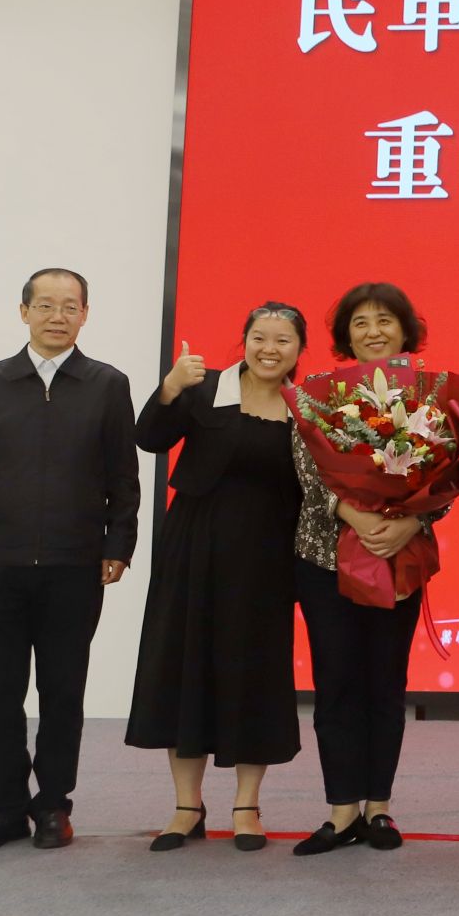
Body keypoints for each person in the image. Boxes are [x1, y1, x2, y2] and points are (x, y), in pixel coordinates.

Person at [0, 267, 139, 852]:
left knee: (63, 692)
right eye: (45, 305)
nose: (57, 316)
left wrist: (118, 545)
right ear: (23, 311)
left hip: (75, 564)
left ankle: (53, 805)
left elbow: (124, 478)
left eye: (70, 306)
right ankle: (4, 811)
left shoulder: (107, 384)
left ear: (85, 315)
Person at [126, 302, 308, 853]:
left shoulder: (307, 408)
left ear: (300, 350)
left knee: (254, 674)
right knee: (184, 668)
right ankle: (187, 806)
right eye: (259, 337)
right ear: (244, 341)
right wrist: (169, 388)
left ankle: (247, 806)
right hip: (194, 550)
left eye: (283, 340)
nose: (269, 349)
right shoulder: (204, 390)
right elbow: (149, 438)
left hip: (266, 560)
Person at [290, 282, 446, 856]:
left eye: (385, 321)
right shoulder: (317, 392)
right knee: (336, 683)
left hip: (398, 556)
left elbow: (446, 475)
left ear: (405, 331)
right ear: (345, 336)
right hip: (325, 558)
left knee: (385, 682)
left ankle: (379, 807)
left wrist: (412, 522)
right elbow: (307, 469)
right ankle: (341, 810)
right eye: (361, 323)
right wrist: (354, 513)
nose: (374, 331)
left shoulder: (430, 394)